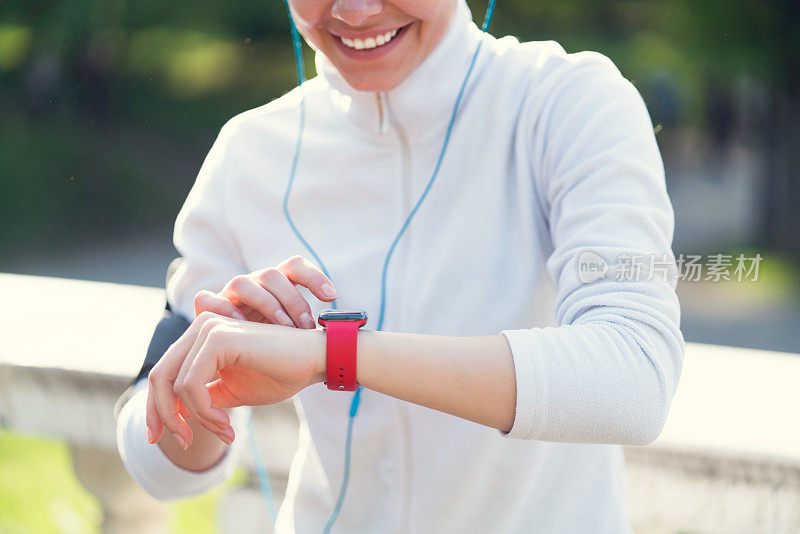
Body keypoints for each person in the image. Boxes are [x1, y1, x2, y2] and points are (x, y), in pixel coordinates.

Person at [116, 0, 685, 532]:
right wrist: (204, 395)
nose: (356, 11)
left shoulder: (567, 102)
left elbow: (633, 376)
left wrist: (328, 354)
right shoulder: (249, 151)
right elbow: (157, 463)